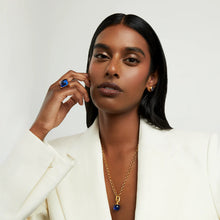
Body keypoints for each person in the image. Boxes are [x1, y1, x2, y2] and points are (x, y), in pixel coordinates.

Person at [0, 13, 219, 220]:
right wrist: (40, 129)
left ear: (152, 78)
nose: (112, 68)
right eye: (101, 56)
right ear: (88, 69)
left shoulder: (207, 154)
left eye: (131, 60)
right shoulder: (52, 162)